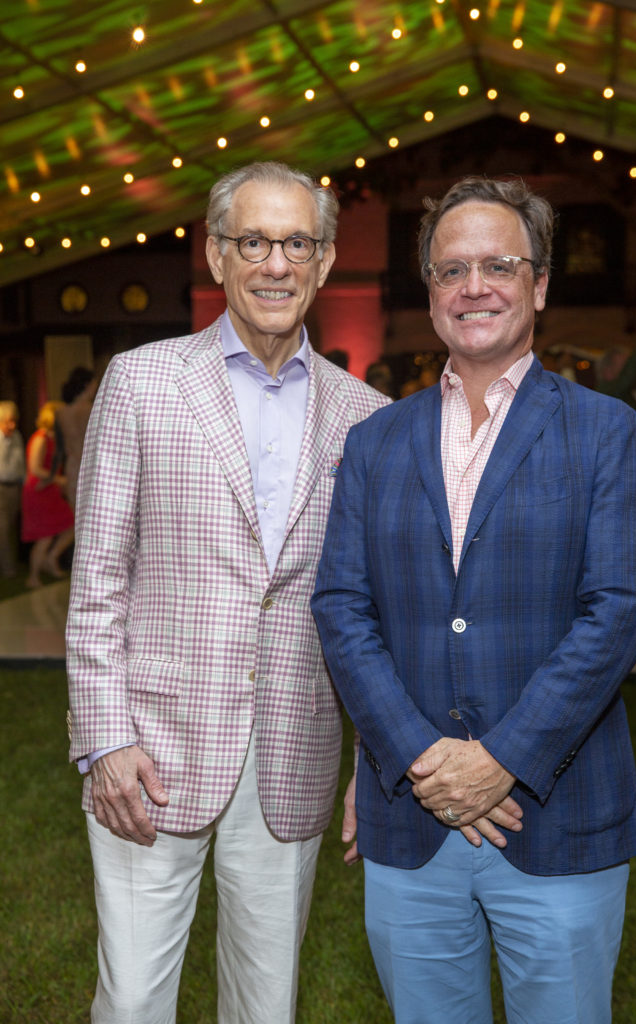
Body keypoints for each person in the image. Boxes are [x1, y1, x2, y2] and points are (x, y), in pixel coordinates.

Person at [311, 175, 636, 1024]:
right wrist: (425, 762)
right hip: (412, 820)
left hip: (558, 816)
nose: (473, 287)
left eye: (498, 265)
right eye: (449, 269)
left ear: (539, 284)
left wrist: (499, 759)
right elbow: (341, 608)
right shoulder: (373, 442)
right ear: (429, 292)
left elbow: (614, 612)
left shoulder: (604, 431)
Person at [66, 160, 388, 1024]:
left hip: (293, 749)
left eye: (296, 243)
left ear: (323, 263)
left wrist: (376, 757)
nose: (275, 264)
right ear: (216, 255)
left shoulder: (366, 416)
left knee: (266, 1003)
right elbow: (96, 578)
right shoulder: (140, 383)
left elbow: (370, 611)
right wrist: (104, 740)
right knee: (132, 999)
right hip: (150, 755)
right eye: (253, 241)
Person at [21, 400, 74, 588]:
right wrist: (58, 479)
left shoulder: (54, 438)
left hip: (49, 489)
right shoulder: (40, 438)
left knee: (69, 524)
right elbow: (35, 468)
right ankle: (33, 577)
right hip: (38, 491)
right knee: (45, 535)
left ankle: (51, 558)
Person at [57, 366, 97, 507]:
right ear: (87, 385)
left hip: (72, 466)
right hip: (91, 466)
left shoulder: (62, 412)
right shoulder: (92, 409)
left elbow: (59, 447)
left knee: (77, 513)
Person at [0, 400, 25, 578]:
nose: (12, 424)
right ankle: (8, 570)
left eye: (13, 420)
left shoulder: (17, 437)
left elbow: (20, 464)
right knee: (3, 528)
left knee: (12, 527)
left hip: (15, 487)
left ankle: (12, 564)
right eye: (8, 421)